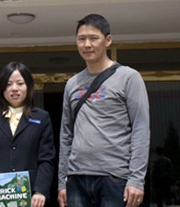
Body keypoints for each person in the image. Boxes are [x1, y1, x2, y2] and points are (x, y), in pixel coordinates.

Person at [58, 13, 150, 207]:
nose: (87, 44)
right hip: (76, 177)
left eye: (93, 38)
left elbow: (141, 129)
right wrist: (62, 182)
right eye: (81, 39)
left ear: (108, 40)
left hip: (115, 177)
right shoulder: (72, 84)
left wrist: (136, 179)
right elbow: (66, 135)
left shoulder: (128, 77)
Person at [0, 62, 55, 207]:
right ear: (1, 88)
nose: (14, 89)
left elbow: (46, 159)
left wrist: (40, 191)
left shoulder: (42, 118)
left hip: (32, 198)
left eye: (20, 83)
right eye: (8, 84)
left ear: (28, 86)